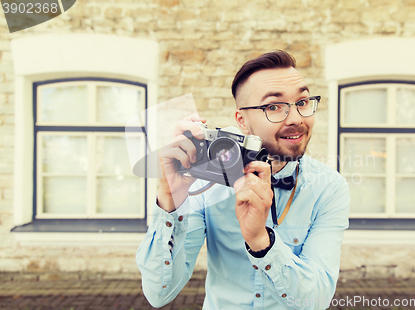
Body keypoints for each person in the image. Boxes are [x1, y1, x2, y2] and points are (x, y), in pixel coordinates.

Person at [136, 50, 350, 310]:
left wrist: (261, 240)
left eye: (303, 102)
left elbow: (316, 300)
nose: (296, 119)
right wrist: (170, 199)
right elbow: (159, 293)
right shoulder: (207, 185)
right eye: (274, 107)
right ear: (242, 122)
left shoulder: (329, 187)